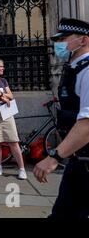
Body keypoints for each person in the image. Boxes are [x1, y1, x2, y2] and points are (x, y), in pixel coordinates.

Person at [33, 18, 89, 218]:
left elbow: (87, 125)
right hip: (79, 160)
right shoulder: (76, 69)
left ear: (83, 40)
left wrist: (54, 157)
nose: (59, 44)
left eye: (64, 38)